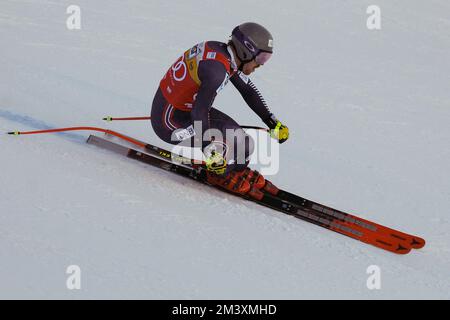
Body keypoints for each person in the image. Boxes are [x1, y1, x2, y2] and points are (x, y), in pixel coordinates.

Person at [150, 22, 289, 199]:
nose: (260, 65)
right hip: (168, 122)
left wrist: (272, 122)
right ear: (246, 51)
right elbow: (199, 114)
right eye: (261, 59)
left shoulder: (225, 56)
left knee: (244, 142)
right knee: (229, 143)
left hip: (187, 110)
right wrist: (210, 152)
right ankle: (218, 174)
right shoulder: (216, 70)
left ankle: (236, 170)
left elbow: (248, 91)